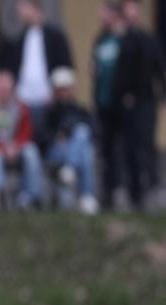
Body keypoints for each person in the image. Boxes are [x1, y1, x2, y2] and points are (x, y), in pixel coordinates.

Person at [115, 0, 165, 209]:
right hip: (126, 105)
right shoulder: (121, 39)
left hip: (146, 102)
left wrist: (161, 96)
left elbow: (159, 70)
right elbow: (118, 75)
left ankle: (153, 190)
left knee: (146, 147)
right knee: (129, 149)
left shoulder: (147, 39)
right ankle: (135, 193)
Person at [0, 70, 44, 209]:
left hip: (15, 146)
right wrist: (2, 148)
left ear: (12, 89)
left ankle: (31, 197)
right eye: (1, 88)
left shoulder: (21, 107)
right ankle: (1, 195)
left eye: (7, 89)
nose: (4, 92)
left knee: (31, 152)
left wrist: (16, 146)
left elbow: (26, 131)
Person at [5, 0, 73, 139]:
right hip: (22, 102)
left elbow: (66, 69)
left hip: (48, 103)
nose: (19, 10)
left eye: (22, 5)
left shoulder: (55, 36)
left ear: (34, 7)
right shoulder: (19, 39)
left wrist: (56, 93)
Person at [43, 67, 98, 214]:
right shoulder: (49, 112)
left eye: (66, 89)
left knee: (84, 140)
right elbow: (42, 137)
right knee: (84, 149)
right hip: (55, 151)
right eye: (60, 89)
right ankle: (87, 196)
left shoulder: (80, 110)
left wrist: (69, 135)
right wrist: (57, 136)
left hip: (74, 150)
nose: (64, 93)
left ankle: (70, 168)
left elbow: (94, 131)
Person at [91, 1, 126, 210]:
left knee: (119, 150)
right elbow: (94, 66)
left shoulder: (123, 39)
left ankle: (121, 192)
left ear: (114, 14)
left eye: (104, 14)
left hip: (120, 104)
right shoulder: (100, 39)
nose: (101, 18)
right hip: (102, 103)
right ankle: (106, 195)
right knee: (105, 150)